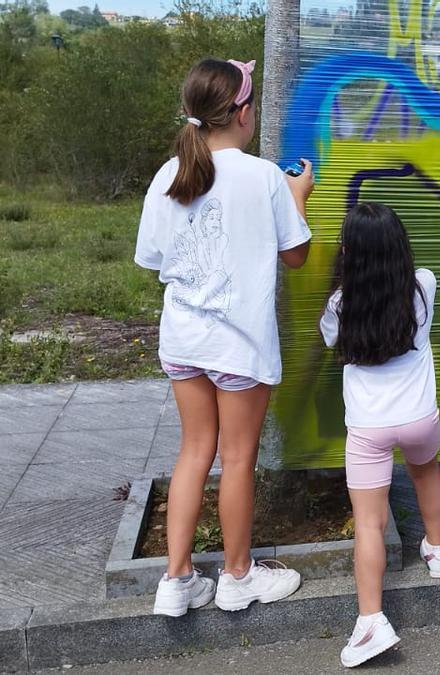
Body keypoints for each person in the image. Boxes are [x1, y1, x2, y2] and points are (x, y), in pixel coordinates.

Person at [136, 58, 312, 617]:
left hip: (184, 339)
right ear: (241, 113)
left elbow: (154, 258)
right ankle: (238, 576)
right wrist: (298, 195)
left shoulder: (168, 174)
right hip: (240, 345)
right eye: (252, 104)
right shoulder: (264, 177)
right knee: (237, 459)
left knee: (193, 452)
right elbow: (297, 255)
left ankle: (177, 579)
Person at [319, 202, 440, 668]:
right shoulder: (425, 285)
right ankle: (438, 553)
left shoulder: (339, 304)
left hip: (368, 427)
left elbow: (332, 341)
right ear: (401, 246)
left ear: (347, 250)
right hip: (419, 416)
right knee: (426, 473)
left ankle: (372, 619)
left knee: (370, 521)